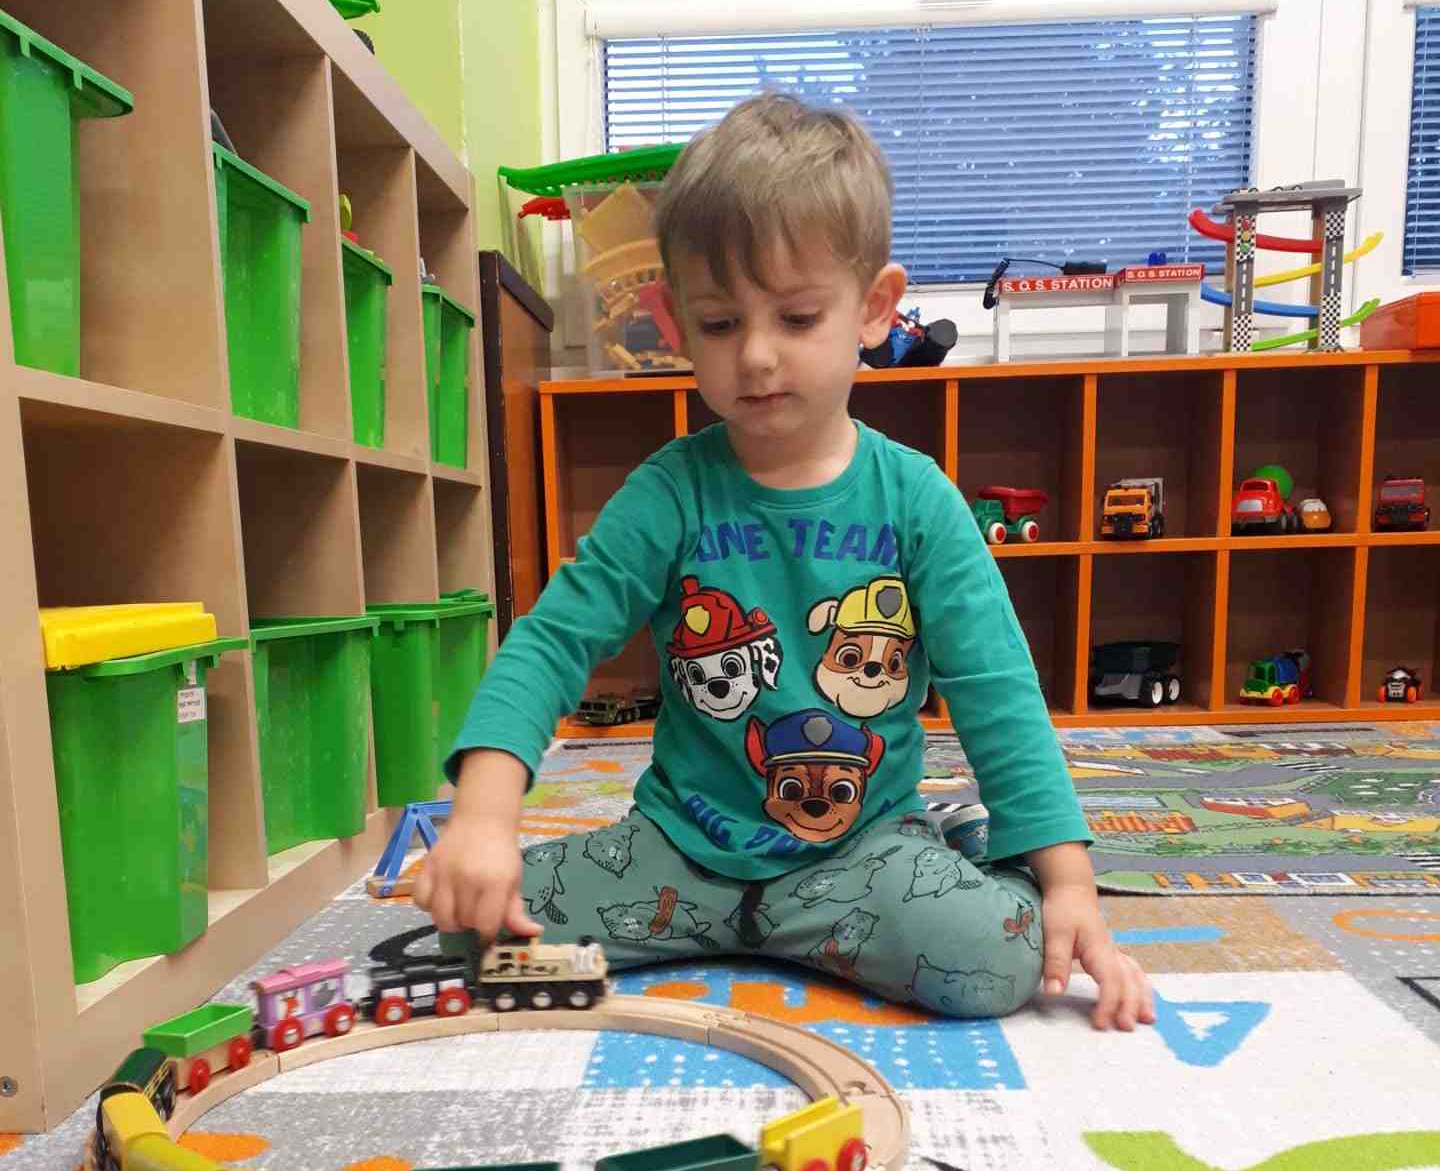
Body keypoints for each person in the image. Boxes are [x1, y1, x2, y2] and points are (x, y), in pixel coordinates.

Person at [412, 94, 1153, 1031]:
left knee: (998, 961)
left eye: (797, 318)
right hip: (682, 855)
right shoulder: (668, 491)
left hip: (858, 856)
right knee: (469, 937)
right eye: (720, 324)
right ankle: (752, 919)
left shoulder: (917, 499)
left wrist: (1068, 881)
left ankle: (962, 845)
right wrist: (482, 819)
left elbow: (996, 689)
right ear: (674, 325)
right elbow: (553, 642)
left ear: (873, 309)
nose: (757, 356)